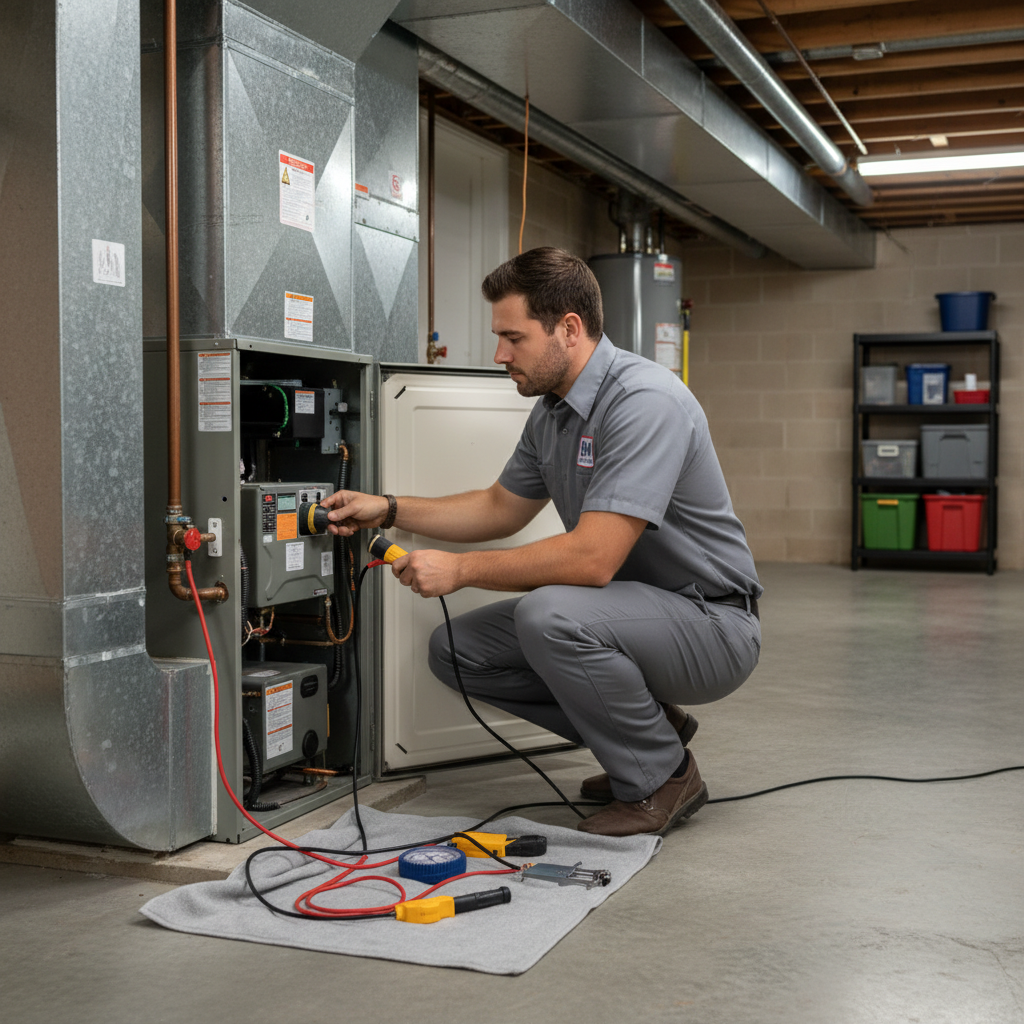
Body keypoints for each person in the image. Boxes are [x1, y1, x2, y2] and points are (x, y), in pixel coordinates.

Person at [322, 246, 762, 838]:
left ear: (569, 329)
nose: (500, 355)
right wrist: (390, 508)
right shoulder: (554, 411)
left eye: (513, 337)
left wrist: (459, 571)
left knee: (551, 614)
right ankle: (652, 736)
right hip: (637, 613)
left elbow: (593, 558)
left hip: (711, 624)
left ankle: (663, 778)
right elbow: (499, 507)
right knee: (457, 647)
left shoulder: (643, 402)